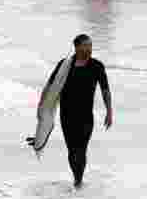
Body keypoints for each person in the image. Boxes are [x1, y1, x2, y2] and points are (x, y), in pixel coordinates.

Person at [38, 35, 113, 188]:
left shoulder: (96, 66)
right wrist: (42, 105)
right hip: (66, 116)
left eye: (91, 45)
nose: (89, 49)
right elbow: (50, 85)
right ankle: (76, 177)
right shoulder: (65, 65)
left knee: (81, 149)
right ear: (77, 47)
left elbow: (105, 89)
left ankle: (79, 179)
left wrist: (109, 110)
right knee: (72, 151)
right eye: (86, 46)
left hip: (86, 116)